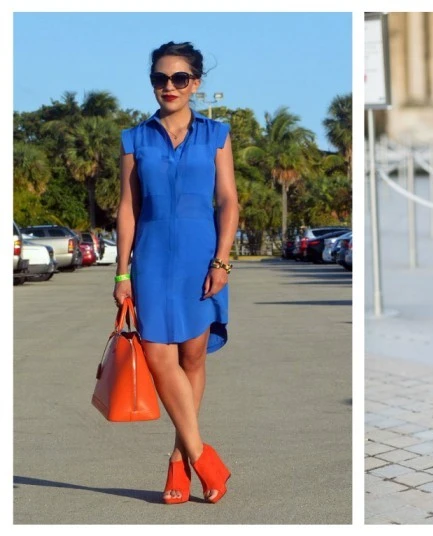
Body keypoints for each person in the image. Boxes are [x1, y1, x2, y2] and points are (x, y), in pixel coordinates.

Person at [113, 41, 240, 504]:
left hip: (200, 259)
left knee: (192, 359)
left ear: (196, 83)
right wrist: (121, 272)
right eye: (160, 79)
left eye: (179, 79)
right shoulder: (134, 139)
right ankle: (202, 456)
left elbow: (227, 200)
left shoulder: (217, 134)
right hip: (149, 261)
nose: (169, 87)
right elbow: (128, 208)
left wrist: (222, 260)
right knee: (157, 357)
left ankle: (176, 460)